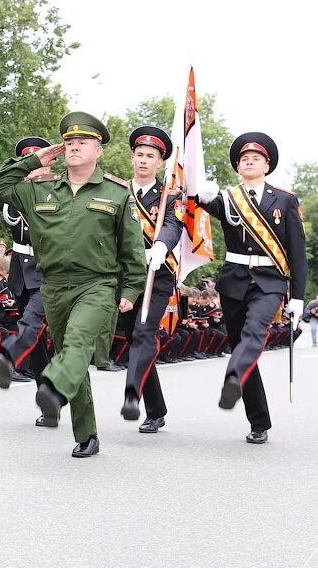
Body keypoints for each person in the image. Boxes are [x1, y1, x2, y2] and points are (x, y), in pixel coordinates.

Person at [0, 111, 146, 458]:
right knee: (69, 355)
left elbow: (132, 248)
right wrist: (35, 159)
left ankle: (54, 387)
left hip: (98, 284)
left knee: (77, 344)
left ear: (98, 151)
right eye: (70, 142)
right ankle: (87, 433)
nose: (75, 147)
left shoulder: (117, 193)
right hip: (54, 284)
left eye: (83, 143)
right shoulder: (40, 188)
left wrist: (131, 290)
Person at [196, 132, 307, 444]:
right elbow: (204, 207)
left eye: (255, 158)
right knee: (241, 347)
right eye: (244, 159)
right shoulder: (230, 198)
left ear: (266, 165)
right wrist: (201, 196)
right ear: (237, 167)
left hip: (270, 281)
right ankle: (258, 422)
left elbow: (297, 250)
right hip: (234, 281)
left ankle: (233, 375)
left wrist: (297, 296)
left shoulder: (284, 199)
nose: (249, 162)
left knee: (254, 333)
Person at [117, 127, 184, 435]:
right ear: (132, 158)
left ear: (160, 163)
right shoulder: (117, 191)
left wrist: (161, 245)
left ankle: (133, 394)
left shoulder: (171, 195)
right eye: (140, 155)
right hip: (125, 275)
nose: (144, 161)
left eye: (151, 157)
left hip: (157, 274)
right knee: (133, 338)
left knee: (144, 333)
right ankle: (156, 410)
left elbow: (173, 224)